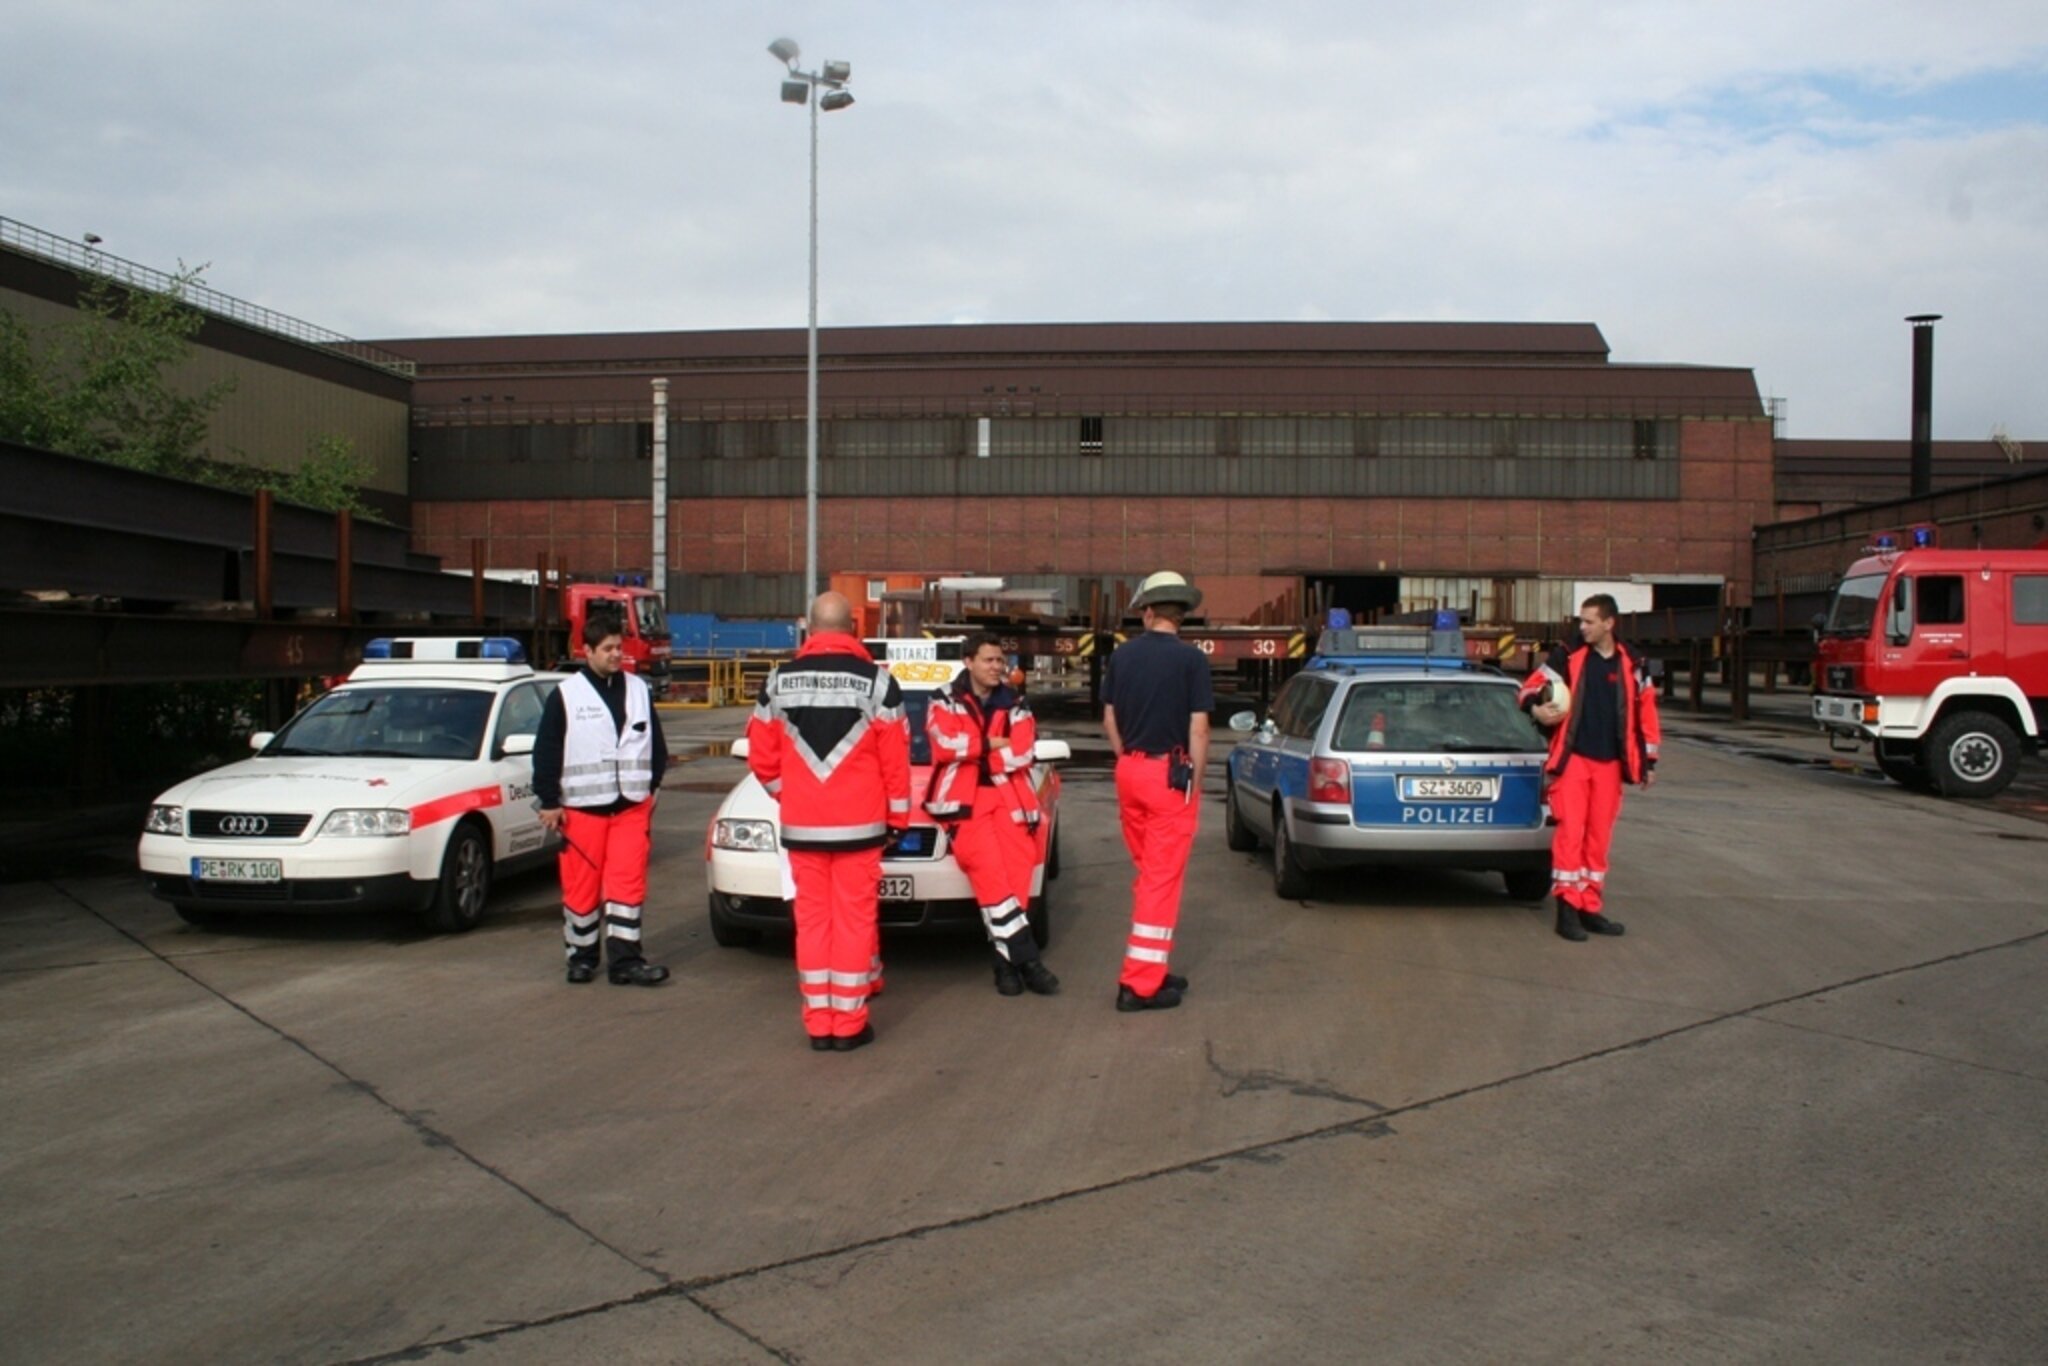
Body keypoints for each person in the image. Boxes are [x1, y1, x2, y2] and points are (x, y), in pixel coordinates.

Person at [747, 592, 911, 1051]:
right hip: (860, 828)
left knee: (813, 922)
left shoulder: (777, 682)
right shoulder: (878, 684)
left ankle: (819, 1023)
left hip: (803, 828)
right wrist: (896, 818)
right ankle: (850, 1023)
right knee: (856, 923)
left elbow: (762, 759)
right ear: (854, 628)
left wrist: (791, 798)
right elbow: (894, 763)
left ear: (810, 629)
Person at [533, 612, 670, 986]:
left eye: (618, 647)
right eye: (607, 648)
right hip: (582, 812)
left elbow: (656, 746)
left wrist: (651, 787)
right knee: (582, 889)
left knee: (627, 887)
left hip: (630, 809)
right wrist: (548, 801)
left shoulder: (639, 690)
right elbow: (546, 750)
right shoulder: (566, 696)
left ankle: (626, 962)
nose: (615, 654)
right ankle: (582, 957)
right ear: (587, 650)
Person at [1518, 593, 1663, 942]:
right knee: (1571, 834)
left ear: (1609, 623)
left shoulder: (1633, 662)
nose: (1581, 627)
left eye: (1589, 621)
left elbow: (1646, 713)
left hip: (1611, 764)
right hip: (1574, 761)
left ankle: (1589, 907)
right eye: (1580, 621)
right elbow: (1528, 689)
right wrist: (1537, 709)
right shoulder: (1567, 656)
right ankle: (1567, 911)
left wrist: (1649, 761)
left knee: (1598, 839)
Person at [1100, 571, 1212, 1011]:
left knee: (1149, 872)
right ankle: (1140, 985)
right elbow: (1199, 729)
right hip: (1170, 775)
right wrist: (1195, 781)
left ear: (1148, 611)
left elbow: (1109, 718)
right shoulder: (1192, 661)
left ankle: (1154, 965)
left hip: (1130, 768)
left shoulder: (1122, 657)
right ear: (1180, 616)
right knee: (1162, 882)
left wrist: (1126, 756)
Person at [926, 632, 1061, 997]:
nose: (997, 667)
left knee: (1015, 879)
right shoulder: (943, 699)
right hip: (964, 802)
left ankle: (1004, 966)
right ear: (968, 661)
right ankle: (1028, 959)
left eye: (1000, 660)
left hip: (1010, 800)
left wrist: (976, 750)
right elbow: (943, 747)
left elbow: (1022, 752)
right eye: (988, 660)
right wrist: (989, 744)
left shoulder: (1015, 701)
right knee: (991, 876)